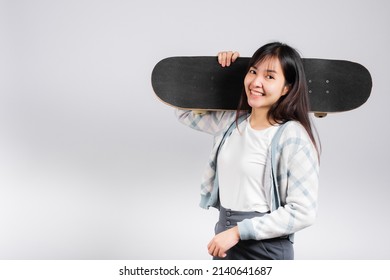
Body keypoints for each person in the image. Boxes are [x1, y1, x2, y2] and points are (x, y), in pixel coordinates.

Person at [175, 42, 320, 260]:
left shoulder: (293, 136)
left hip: (264, 247)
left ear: (286, 88)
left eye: (270, 76)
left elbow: (303, 212)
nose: (256, 82)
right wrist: (218, 70)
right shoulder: (231, 122)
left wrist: (239, 232)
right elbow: (183, 112)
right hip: (224, 239)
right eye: (253, 72)